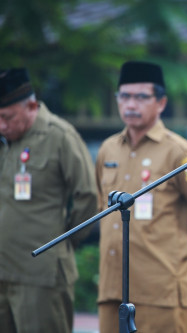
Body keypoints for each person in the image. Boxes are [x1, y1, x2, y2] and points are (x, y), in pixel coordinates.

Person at [96, 60, 187, 333]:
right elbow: (100, 207)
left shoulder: (179, 151)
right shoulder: (108, 150)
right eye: (124, 96)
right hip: (111, 289)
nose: (130, 104)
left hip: (159, 290)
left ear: (161, 103)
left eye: (141, 97)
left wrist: (169, 244)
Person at [0, 68, 98, 332]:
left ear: (31, 106)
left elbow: (87, 196)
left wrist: (63, 243)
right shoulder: (4, 140)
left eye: (7, 117)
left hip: (40, 275)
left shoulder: (60, 136)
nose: (2, 126)